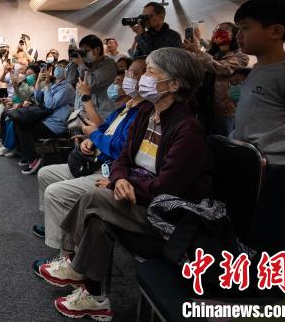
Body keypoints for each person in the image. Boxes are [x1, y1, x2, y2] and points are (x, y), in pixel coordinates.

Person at [35, 48, 211, 320]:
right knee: (98, 218)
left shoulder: (187, 129)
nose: (142, 79)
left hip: (166, 213)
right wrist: (118, 179)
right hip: (135, 196)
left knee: (96, 198)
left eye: (151, 72)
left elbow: (168, 187)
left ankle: (74, 265)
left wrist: (122, 183)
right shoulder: (145, 114)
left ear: (174, 85)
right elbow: (124, 158)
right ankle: (95, 299)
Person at [232, 0, 285, 295]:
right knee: (256, 242)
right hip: (259, 173)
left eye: (245, 28)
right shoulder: (258, 70)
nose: (238, 35)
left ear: (276, 31)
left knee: (279, 250)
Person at [34, 58, 147, 250]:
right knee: (45, 173)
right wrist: (90, 140)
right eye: (126, 75)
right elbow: (101, 129)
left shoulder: (142, 113)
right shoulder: (124, 109)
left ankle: (68, 254)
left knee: (56, 192)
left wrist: (93, 135)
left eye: (132, 75)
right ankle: (55, 224)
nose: (125, 80)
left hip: (107, 171)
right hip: (97, 161)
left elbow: (118, 147)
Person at [183, 22, 249, 136]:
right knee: (204, 139)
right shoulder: (211, 54)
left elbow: (222, 68)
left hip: (223, 110)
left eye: (224, 29)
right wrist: (190, 51)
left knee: (222, 142)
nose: (219, 31)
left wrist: (198, 51)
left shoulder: (241, 56)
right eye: (217, 29)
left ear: (235, 34)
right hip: (204, 106)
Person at [15, 60, 76, 175]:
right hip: (47, 120)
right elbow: (39, 100)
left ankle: (34, 158)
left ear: (67, 71)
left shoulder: (67, 88)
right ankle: (28, 155)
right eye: (57, 66)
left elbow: (50, 104)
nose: (58, 68)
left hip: (56, 125)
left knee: (24, 127)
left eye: (62, 67)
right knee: (19, 122)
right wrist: (38, 82)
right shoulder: (53, 84)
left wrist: (47, 86)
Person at [74, 34, 118, 122]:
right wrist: (73, 59)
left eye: (85, 51)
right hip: (85, 115)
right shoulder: (87, 65)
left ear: (97, 50)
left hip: (102, 116)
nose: (83, 55)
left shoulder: (109, 65)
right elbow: (70, 79)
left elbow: (89, 84)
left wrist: (80, 64)